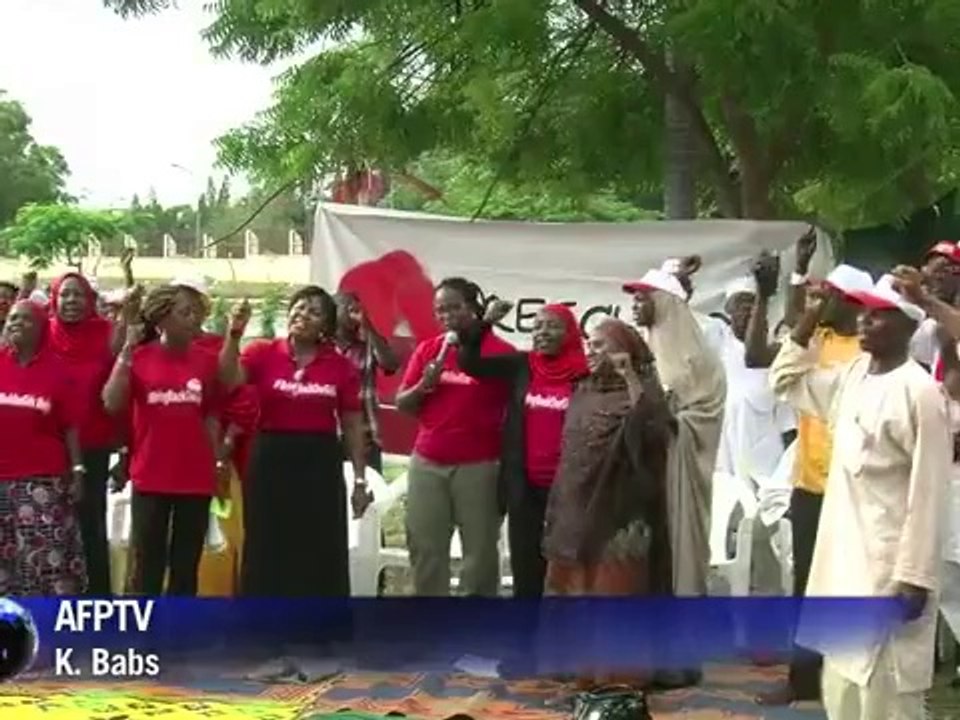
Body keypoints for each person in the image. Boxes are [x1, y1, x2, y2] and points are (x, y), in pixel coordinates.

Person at [770, 274, 948, 720]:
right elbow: (786, 378)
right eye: (864, 313)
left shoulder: (921, 392)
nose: (865, 322)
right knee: (842, 689)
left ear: (909, 327)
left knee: (885, 695)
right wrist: (809, 315)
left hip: (889, 570)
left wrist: (915, 576)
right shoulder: (852, 376)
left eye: (879, 316)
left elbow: (930, 492)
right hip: (843, 565)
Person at [752, 263, 874, 706]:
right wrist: (807, 318)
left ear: (854, 303)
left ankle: (847, 679)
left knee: (850, 587)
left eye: (829, 294)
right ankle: (802, 680)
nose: (819, 300)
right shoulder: (817, 341)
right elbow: (778, 377)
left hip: (855, 490)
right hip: (809, 485)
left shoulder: (870, 350)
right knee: (806, 584)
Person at [541, 319, 673, 689]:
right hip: (574, 510)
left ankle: (619, 685)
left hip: (619, 516)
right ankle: (583, 681)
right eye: (589, 344)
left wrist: (629, 375)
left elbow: (652, 429)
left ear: (622, 350)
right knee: (577, 600)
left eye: (600, 345)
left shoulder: (643, 391)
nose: (590, 351)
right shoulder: (582, 391)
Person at [218, 286, 371, 596]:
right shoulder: (262, 353)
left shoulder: (340, 366)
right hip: (271, 456)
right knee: (265, 539)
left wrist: (359, 478)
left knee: (318, 540)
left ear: (325, 328)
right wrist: (233, 336)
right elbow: (228, 380)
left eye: (313, 312)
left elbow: (353, 424)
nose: (302, 315)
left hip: (319, 459)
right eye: (298, 308)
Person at [625, 267, 725, 688]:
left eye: (644, 296)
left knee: (677, 561)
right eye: (634, 297)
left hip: (681, 472)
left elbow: (688, 420)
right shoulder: (651, 351)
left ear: (665, 302)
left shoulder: (695, 358)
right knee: (650, 563)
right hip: (650, 475)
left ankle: (682, 659)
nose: (635, 303)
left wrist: (643, 392)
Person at [456, 300, 590, 598]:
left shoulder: (588, 375)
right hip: (524, 487)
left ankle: (563, 635)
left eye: (552, 326)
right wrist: (484, 325)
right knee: (526, 564)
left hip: (570, 490)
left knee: (566, 566)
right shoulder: (522, 365)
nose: (542, 332)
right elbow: (470, 363)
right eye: (537, 326)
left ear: (570, 333)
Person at [396, 277, 514, 596]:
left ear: (475, 308)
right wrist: (425, 384)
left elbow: (515, 413)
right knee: (426, 545)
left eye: (454, 307)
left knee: (480, 551)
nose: (447, 315)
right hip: (428, 463)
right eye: (440, 310)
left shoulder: (501, 353)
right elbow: (403, 404)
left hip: (480, 465)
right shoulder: (430, 350)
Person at [102, 285, 222, 596]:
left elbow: (211, 416)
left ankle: (179, 632)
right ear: (162, 320)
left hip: (195, 478)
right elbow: (111, 402)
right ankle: (142, 629)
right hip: (151, 475)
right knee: (147, 563)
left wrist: (216, 462)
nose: (194, 319)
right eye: (185, 312)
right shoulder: (139, 358)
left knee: (186, 563)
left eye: (197, 312)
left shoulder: (207, 361)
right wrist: (127, 351)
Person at [168, 275, 258, 598]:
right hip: (163, 463)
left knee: (216, 538)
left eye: (194, 304)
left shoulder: (217, 348)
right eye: (178, 304)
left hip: (214, 459)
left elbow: (240, 399)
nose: (186, 311)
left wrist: (223, 450)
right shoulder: (151, 348)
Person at [713, 270, 795, 598]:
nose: (745, 311)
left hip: (768, 463)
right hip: (725, 456)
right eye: (739, 305)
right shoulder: (717, 351)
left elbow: (789, 421)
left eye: (751, 304)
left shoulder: (774, 354)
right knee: (728, 531)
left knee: (768, 535)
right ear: (728, 312)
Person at [0, 300, 87, 594]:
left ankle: (47, 626)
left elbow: (71, 426)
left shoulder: (57, 371)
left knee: (43, 557)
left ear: (40, 329)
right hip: (1, 479)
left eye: (25, 319)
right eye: (12, 318)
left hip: (42, 482)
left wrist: (77, 470)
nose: (15, 323)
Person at [48, 272, 122, 596]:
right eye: (65, 295)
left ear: (90, 301)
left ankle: (97, 599)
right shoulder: (43, 335)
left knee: (90, 523)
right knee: (50, 525)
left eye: (78, 295)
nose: (71, 301)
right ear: (54, 299)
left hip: (93, 444)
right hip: (49, 446)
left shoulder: (106, 334)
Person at [334, 291, 400, 473]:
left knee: (370, 492)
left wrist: (368, 326)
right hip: (328, 435)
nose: (353, 311)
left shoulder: (369, 342)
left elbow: (391, 365)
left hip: (365, 436)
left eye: (356, 307)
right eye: (346, 307)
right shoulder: (321, 346)